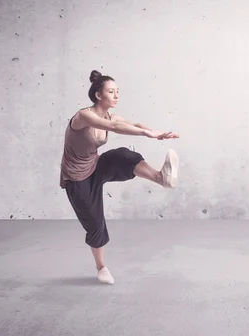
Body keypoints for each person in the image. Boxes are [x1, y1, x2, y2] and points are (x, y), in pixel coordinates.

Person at [59, 70, 179, 285]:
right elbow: (114, 128)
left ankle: (161, 178)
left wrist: (157, 132)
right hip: (76, 180)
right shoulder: (83, 116)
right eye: (111, 92)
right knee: (95, 224)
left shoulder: (110, 116)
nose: (116, 96)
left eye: (117, 92)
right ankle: (101, 267)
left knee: (123, 156)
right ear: (98, 95)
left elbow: (130, 124)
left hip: (95, 167)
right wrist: (146, 134)